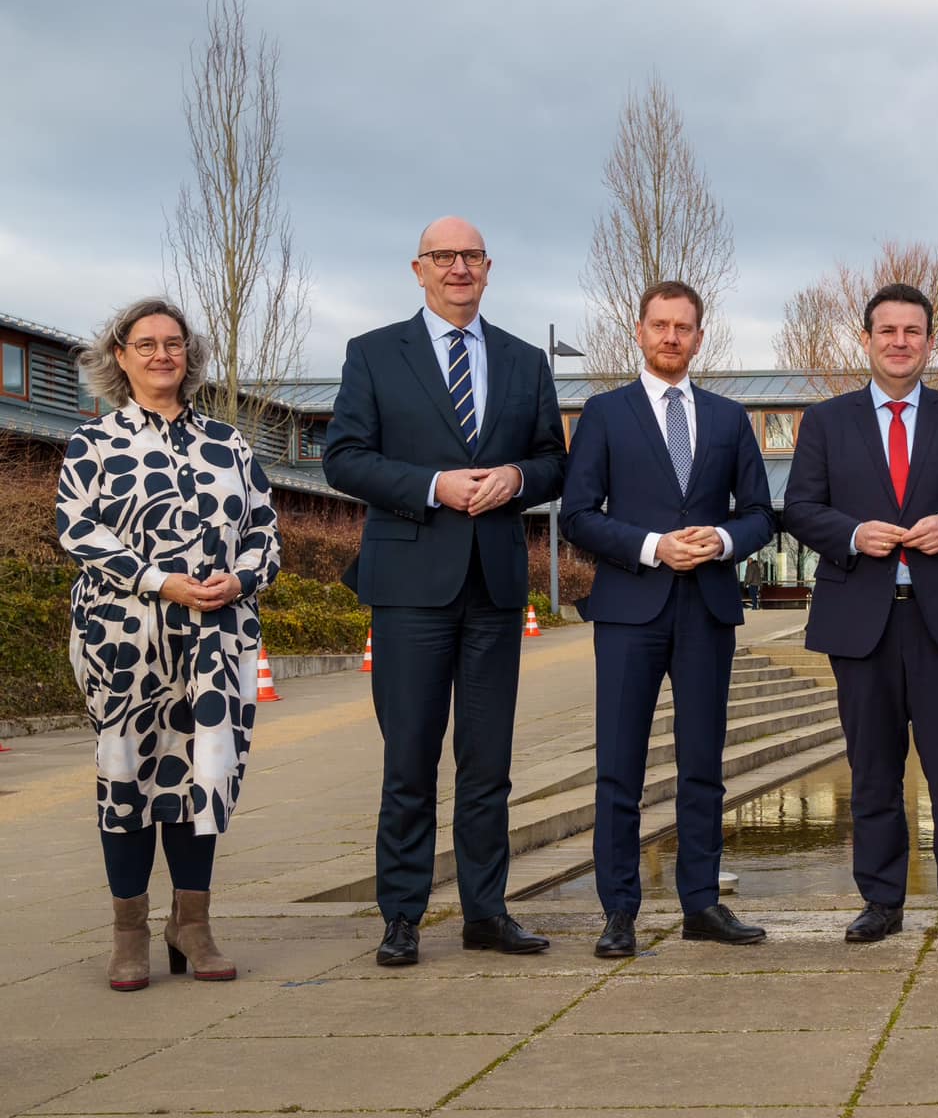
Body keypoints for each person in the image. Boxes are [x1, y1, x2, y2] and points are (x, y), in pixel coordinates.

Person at [324, 217, 569, 966]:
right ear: (418, 269)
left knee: (488, 763)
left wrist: (519, 479)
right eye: (443, 256)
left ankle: (486, 914)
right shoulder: (372, 354)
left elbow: (555, 462)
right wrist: (432, 484)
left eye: (471, 256)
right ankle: (401, 917)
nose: (458, 267)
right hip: (408, 585)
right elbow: (343, 458)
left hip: (494, 587)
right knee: (409, 761)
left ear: (488, 268)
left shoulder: (524, 362)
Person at [57, 297, 280, 990]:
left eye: (174, 343)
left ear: (190, 355)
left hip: (218, 634)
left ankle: (193, 924)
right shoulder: (91, 444)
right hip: (124, 637)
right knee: (127, 773)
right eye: (146, 344)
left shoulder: (230, 444)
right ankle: (129, 934)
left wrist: (240, 580)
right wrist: (161, 582)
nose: (162, 355)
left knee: (203, 773)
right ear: (119, 356)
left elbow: (265, 532)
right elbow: (79, 532)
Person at [782, 283, 938, 943]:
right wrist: (854, 535)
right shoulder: (825, 422)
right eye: (887, 331)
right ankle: (881, 902)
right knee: (874, 768)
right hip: (862, 621)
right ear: (867, 339)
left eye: (913, 331)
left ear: (930, 342)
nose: (900, 342)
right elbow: (800, 508)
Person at [560, 280, 776, 956]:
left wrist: (725, 540)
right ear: (640, 329)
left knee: (703, 764)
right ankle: (619, 911)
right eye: (660, 325)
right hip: (630, 608)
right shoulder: (604, 413)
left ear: (699, 336)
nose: (672, 336)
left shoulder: (728, 418)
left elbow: (762, 513)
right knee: (619, 766)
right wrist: (654, 547)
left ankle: (702, 904)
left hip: (707, 608)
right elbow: (578, 516)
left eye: (684, 326)